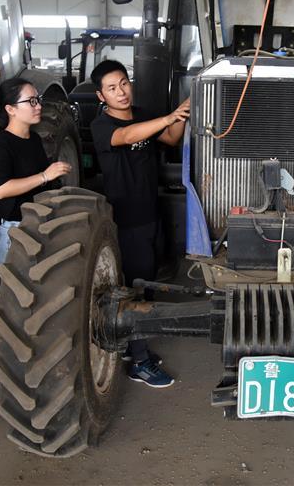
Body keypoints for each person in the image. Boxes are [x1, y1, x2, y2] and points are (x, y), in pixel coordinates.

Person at [90, 59, 189, 388]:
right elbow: (125, 136)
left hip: (151, 212)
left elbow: (170, 139)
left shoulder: (144, 114)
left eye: (124, 83)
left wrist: (184, 115)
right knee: (134, 287)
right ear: (101, 96)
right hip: (127, 217)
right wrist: (168, 117)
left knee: (146, 283)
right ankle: (140, 362)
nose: (121, 92)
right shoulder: (101, 125)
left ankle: (135, 348)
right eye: (112, 88)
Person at [0, 77, 72, 265]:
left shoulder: (34, 140)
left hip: (40, 225)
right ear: (11, 109)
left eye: (38, 100)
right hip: (17, 231)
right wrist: (44, 176)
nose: (38, 106)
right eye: (31, 101)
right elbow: (1, 190)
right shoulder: (1, 145)